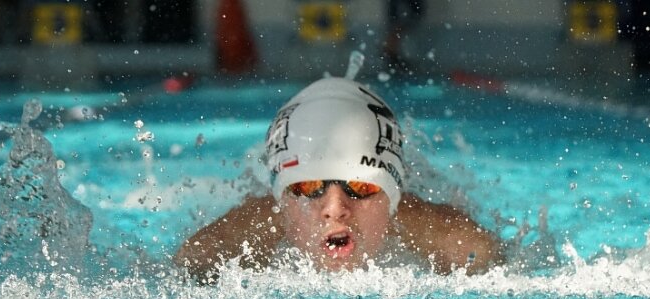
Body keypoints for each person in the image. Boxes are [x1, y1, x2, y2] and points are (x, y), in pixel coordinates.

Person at [174, 76, 502, 284]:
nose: (335, 209)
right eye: (307, 187)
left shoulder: (447, 241)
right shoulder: (234, 243)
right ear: (282, 199)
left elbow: (486, 256)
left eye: (361, 187)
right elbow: (190, 263)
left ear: (393, 198)